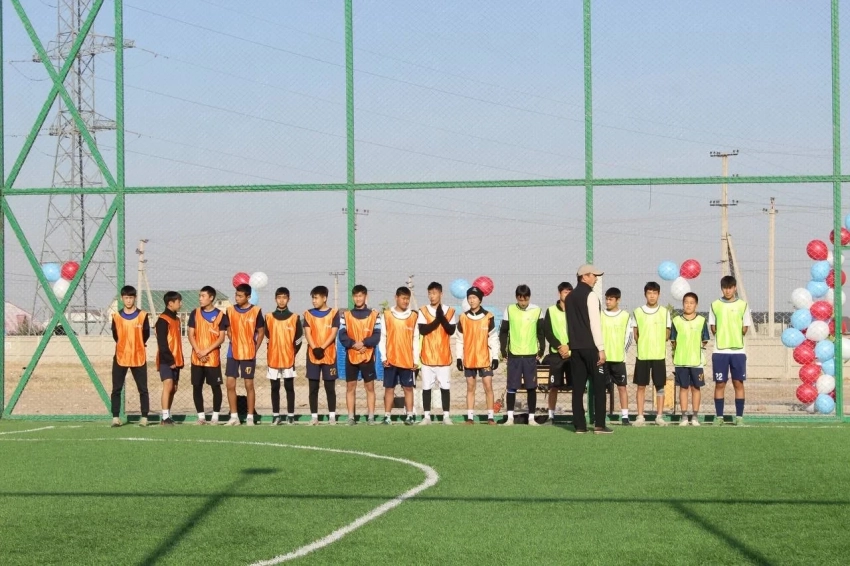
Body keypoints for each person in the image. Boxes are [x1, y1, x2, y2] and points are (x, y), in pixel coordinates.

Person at [565, 265, 610, 434]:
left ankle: (580, 426)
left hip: (576, 348)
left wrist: (572, 343)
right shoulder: (590, 295)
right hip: (591, 347)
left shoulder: (569, 297)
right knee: (599, 386)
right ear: (584, 276)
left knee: (577, 388)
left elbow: (569, 324)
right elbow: (595, 323)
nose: (596, 278)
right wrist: (601, 348)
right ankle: (599, 425)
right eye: (593, 275)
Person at [500, 284, 545, 426]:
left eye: (525, 299)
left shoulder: (537, 310)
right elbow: (504, 332)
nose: (523, 302)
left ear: (529, 298)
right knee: (512, 387)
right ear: (516, 298)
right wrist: (503, 350)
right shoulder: (509, 309)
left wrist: (541, 350)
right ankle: (510, 418)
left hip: (530, 355)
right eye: (520, 300)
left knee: (531, 387)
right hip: (514, 354)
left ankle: (531, 418)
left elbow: (541, 332)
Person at [710, 275, 752, 426]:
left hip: (738, 352)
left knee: (738, 383)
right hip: (720, 351)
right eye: (725, 288)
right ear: (721, 289)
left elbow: (745, 328)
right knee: (720, 384)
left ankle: (739, 417)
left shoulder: (743, 305)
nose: (727, 291)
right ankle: (719, 417)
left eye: (730, 288)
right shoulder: (715, 305)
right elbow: (713, 327)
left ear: (735, 288)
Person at [456, 286, 500, 425]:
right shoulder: (463, 317)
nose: (472, 300)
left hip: (484, 358)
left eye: (474, 297)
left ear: (480, 300)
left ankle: (490, 417)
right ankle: (470, 418)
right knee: (470, 387)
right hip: (469, 359)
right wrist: (459, 358)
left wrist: (495, 357)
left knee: (488, 386)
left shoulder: (488, 316)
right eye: (469, 297)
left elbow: (493, 338)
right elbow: (459, 339)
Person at [339, 284, 381, 425]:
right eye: (356, 296)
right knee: (350, 387)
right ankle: (351, 417)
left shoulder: (375, 315)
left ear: (365, 297)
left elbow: (377, 335)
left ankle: (371, 417)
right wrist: (354, 344)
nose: (358, 298)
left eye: (360, 296)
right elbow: (342, 335)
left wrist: (363, 343)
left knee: (370, 387)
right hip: (351, 355)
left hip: (367, 356)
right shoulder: (345, 315)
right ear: (353, 297)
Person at [224, 284, 265, 426]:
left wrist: (255, 348)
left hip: (248, 353)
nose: (237, 298)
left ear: (248, 297)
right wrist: (234, 341)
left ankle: (250, 417)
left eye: (240, 296)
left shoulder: (256, 311)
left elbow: (261, 332)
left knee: (249, 384)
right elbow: (228, 329)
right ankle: (234, 417)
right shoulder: (230, 310)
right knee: (230, 384)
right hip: (232, 352)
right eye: (236, 295)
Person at [379, 287, 420, 426]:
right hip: (390, 359)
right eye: (403, 298)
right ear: (396, 298)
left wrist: (415, 359)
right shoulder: (387, 315)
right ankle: (387, 416)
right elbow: (383, 337)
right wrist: (383, 357)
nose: (405, 301)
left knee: (408, 388)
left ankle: (410, 415)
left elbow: (415, 338)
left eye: (407, 299)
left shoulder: (413, 316)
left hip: (407, 360)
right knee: (389, 388)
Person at [110, 285, 151, 427]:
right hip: (121, 356)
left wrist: (137, 345)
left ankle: (144, 417)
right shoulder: (116, 316)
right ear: (122, 298)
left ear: (135, 298)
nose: (128, 300)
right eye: (126, 298)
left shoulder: (143, 315)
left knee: (143, 388)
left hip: (138, 356)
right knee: (116, 388)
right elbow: (115, 335)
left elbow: (146, 334)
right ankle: (115, 417)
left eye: (131, 298)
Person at [632, 281, 671, 426]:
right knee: (641, 386)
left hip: (659, 355)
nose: (652, 296)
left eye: (655, 293)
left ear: (659, 294)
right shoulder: (638, 311)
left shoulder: (664, 312)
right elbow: (635, 333)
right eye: (649, 293)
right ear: (645, 294)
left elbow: (667, 333)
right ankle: (640, 416)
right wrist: (644, 343)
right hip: (643, 355)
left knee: (659, 386)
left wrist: (658, 342)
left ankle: (659, 416)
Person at [187, 286, 228, 425]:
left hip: (212, 358)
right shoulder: (195, 313)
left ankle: (215, 417)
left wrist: (206, 351)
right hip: (197, 358)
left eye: (203, 296)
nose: (200, 298)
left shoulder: (221, 315)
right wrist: (198, 351)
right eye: (199, 296)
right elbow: (191, 334)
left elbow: (221, 337)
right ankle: (201, 417)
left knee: (215, 387)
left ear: (211, 298)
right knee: (197, 386)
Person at [418, 282, 457, 425]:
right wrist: (438, 319)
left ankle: (446, 416)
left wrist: (442, 317)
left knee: (445, 387)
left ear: (441, 294)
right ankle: (426, 416)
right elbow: (423, 330)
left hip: (443, 356)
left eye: (434, 293)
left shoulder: (450, 311)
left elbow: (451, 330)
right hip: (427, 356)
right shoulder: (423, 310)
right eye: (429, 293)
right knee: (426, 387)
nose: (432, 296)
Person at [303, 285, 340, 425]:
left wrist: (322, 348)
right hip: (313, 355)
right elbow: (307, 333)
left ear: (324, 298)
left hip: (329, 355)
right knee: (313, 387)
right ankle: (314, 417)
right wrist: (315, 348)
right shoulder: (308, 314)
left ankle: (332, 416)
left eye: (316, 298)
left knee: (330, 387)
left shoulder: (334, 313)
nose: (314, 301)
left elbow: (333, 332)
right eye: (312, 298)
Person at [265, 287, 302, 425]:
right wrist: (273, 350)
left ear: (289, 299)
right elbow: (267, 338)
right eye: (279, 297)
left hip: (288, 359)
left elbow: (299, 339)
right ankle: (276, 416)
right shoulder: (268, 317)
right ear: (275, 299)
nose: (281, 300)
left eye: (284, 297)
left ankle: (290, 416)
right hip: (273, 358)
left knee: (289, 387)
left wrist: (291, 352)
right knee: (274, 387)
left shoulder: (294, 317)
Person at [671, 292, 709, 426]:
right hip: (681, 361)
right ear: (683, 304)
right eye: (686, 302)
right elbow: (673, 340)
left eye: (691, 303)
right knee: (683, 388)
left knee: (696, 388)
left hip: (696, 362)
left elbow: (705, 340)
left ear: (696, 305)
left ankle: (695, 416)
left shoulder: (702, 320)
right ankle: (684, 416)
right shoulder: (676, 320)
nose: (688, 305)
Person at [601, 287, 633, 426]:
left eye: (611, 299)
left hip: (619, 359)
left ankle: (625, 416)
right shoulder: (600, 315)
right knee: (601, 389)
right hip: (603, 359)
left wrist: (622, 352)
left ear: (618, 300)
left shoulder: (625, 316)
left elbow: (629, 337)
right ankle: (600, 415)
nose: (608, 302)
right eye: (607, 299)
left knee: (622, 387)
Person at [543, 282, 572, 425]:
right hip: (556, 354)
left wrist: (569, 347)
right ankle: (551, 416)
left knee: (576, 386)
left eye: (570, 292)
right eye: (565, 292)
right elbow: (547, 331)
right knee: (553, 387)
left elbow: (579, 331)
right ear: (559, 293)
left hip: (572, 354)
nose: (567, 294)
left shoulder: (576, 310)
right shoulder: (551, 310)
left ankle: (577, 415)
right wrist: (560, 346)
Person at [155, 291, 183, 426]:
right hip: (166, 359)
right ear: (170, 303)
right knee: (168, 384)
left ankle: (168, 415)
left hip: (176, 359)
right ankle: (164, 417)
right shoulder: (162, 320)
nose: (181, 304)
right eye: (179, 302)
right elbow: (162, 343)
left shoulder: (177, 320)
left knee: (174, 388)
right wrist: (170, 360)